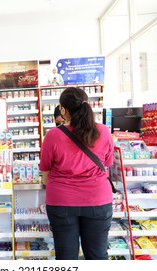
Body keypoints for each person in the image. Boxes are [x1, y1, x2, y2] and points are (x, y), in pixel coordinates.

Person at [39, 87, 114, 260]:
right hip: (98, 200)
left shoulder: (53, 136)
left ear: (63, 110)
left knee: (66, 257)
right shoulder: (103, 131)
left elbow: (45, 174)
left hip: (61, 201)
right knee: (97, 256)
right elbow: (107, 164)